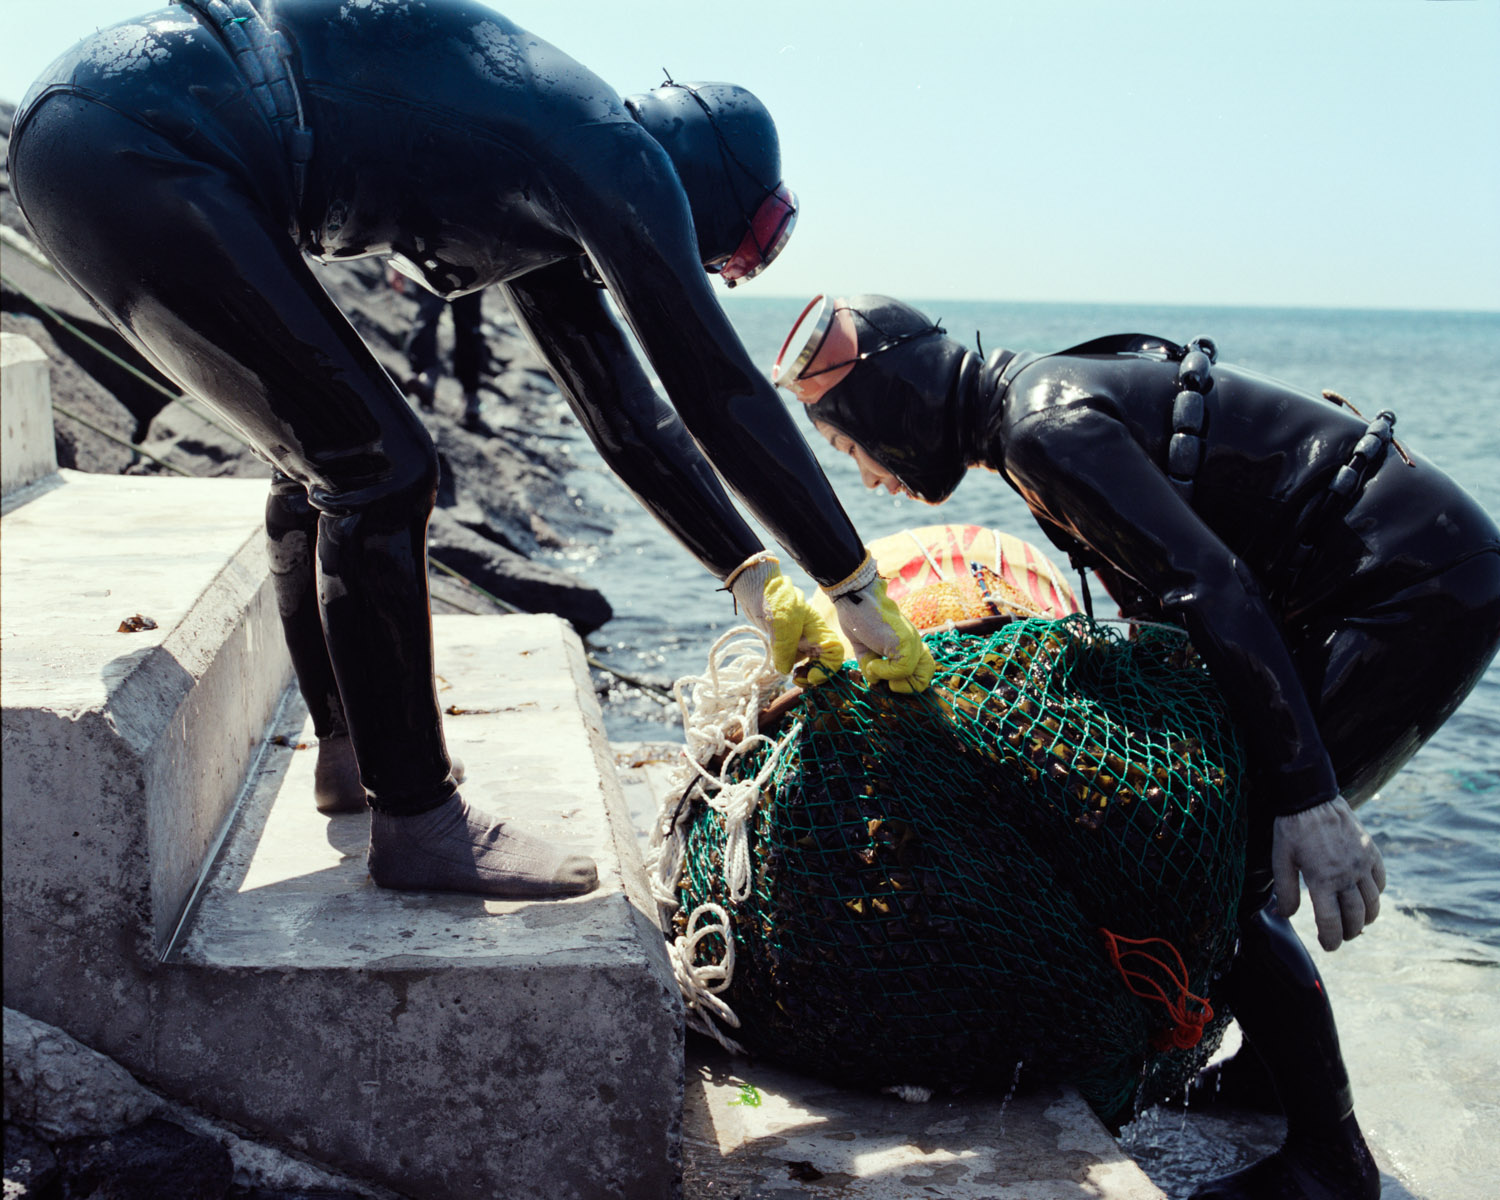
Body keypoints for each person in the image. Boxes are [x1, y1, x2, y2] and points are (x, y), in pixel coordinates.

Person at [6, 0, 933, 901]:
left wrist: (751, 576)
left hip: (102, 134)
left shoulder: (553, 177)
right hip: (140, 137)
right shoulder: (615, 149)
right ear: (705, 183)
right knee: (380, 468)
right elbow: (715, 388)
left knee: (325, 459)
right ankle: (418, 821)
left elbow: (628, 420)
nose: (714, 271)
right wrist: (850, 583)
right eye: (731, 251)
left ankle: (352, 753)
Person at [771, 294, 1500, 1200]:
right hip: (1377, 577)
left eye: (849, 447)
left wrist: (1310, 796)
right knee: (1217, 834)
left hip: (1411, 589)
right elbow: (1169, 593)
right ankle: (1274, 1075)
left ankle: (1331, 1160)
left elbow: (1210, 583)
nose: (868, 478)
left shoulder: (1043, 429)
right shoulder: (1025, 416)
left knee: (1220, 869)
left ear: (890, 405)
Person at [389, 268, 491, 432]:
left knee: (468, 329)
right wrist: (396, 269)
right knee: (427, 318)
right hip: (431, 262)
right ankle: (426, 376)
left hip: (469, 267)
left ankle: (470, 394)